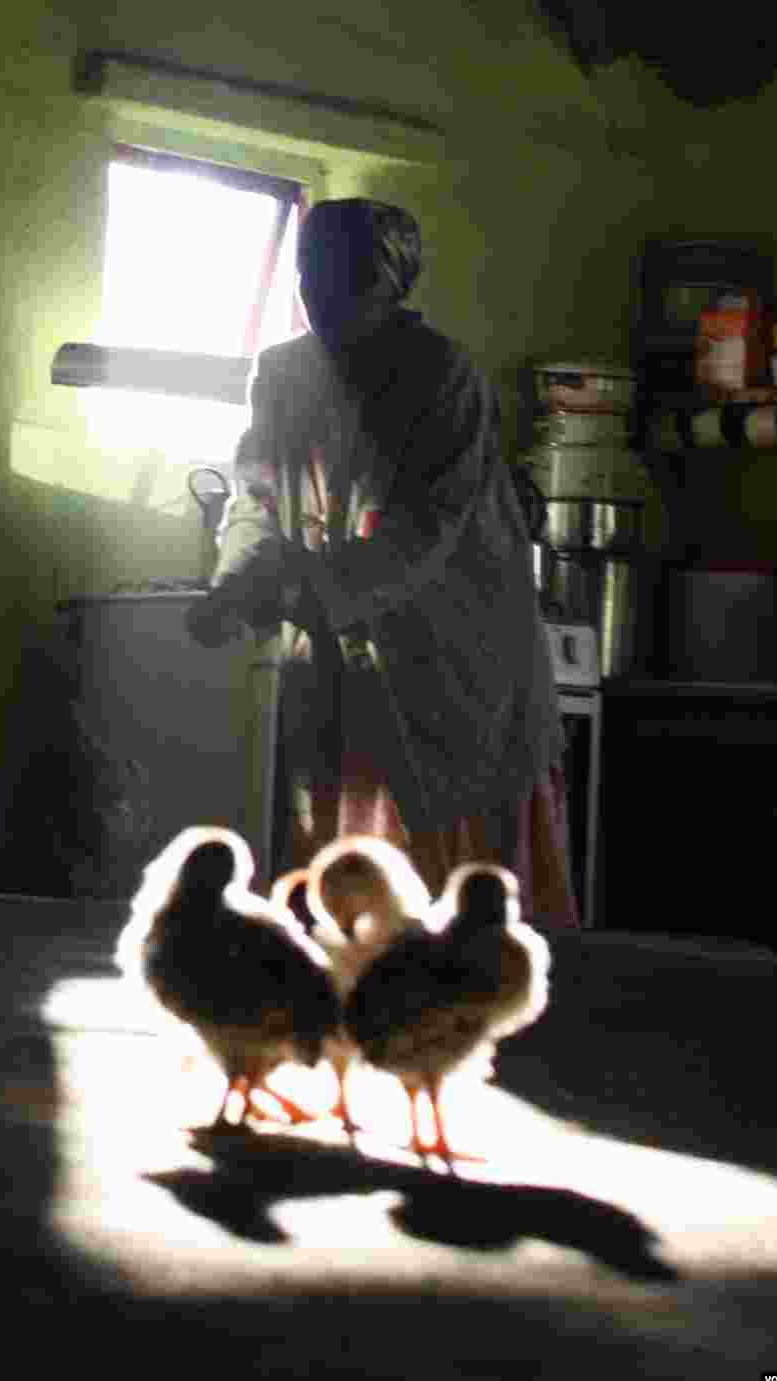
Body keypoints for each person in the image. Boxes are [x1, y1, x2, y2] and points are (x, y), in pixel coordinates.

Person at [185, 198, 579, 927]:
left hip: (455, 658)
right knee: (342, 880)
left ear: (387, 287)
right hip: (345, 662)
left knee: (454, 904)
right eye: (310, 277)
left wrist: (297, 586)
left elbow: (419, 534)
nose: (322, 296)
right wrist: (236, 580)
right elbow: (256, 494)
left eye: (344, 282)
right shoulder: (282, 375)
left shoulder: (441, 377)